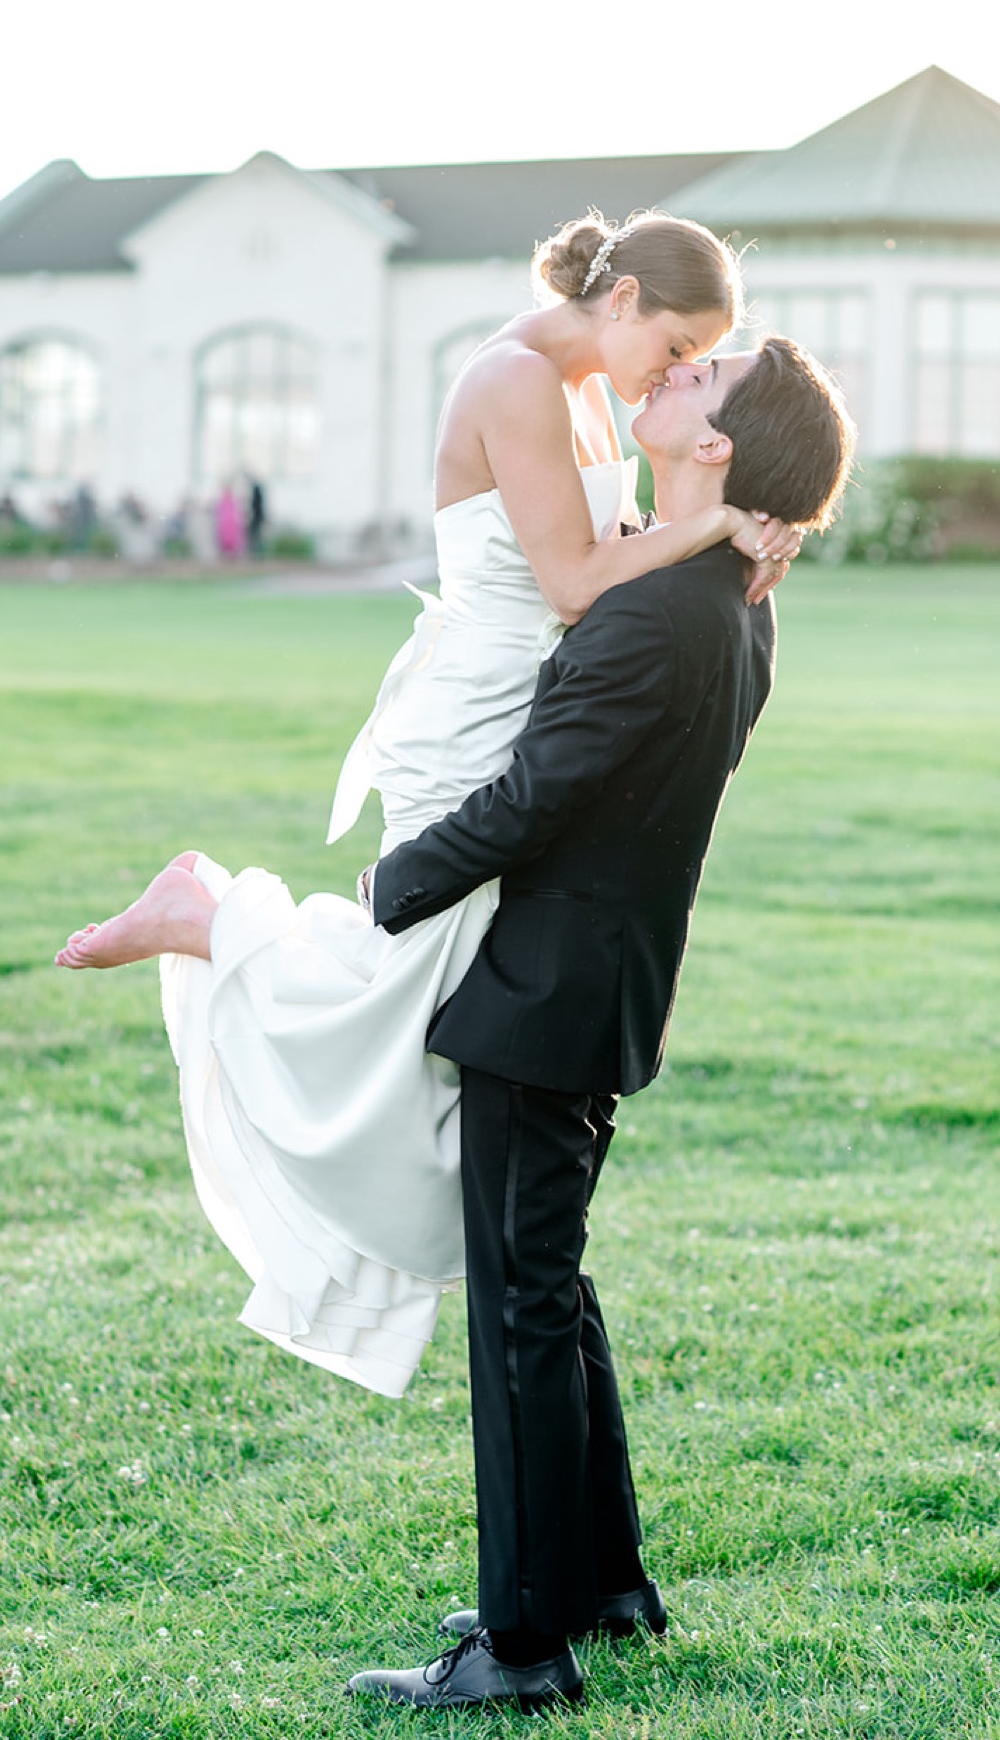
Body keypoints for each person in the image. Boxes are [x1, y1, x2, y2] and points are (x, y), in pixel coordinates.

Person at [55, 211, 800, 1397]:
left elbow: (620, 550)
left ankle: (220, 921)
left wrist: (731, 533)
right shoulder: (514, 379)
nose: (672, 372)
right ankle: (211, 916)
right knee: (411, 989)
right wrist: (713, 519)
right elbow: (570, 583)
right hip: (474, 714)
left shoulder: (596, 390)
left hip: (536, 703)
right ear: (622, 302)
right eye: (674, 343)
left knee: (431, 1010)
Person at [344, 334, 854, 1712]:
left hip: (545, 993)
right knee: (548, 1285)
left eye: (696, 383)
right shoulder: (726, 595)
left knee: (520, 1307)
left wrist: (393, 883)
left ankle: (519, 1643)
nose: (665, 379)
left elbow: (536, 795)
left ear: (718, 447)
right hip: (594, 981)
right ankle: (606, 1581)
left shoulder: (664, 608)